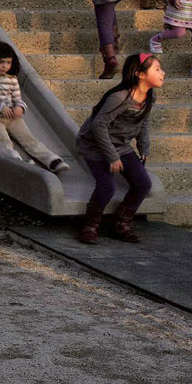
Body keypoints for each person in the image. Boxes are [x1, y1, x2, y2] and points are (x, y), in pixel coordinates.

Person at [74, 51, 164, 245]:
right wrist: (113, 157)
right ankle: (90, 226)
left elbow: (143, 124)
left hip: (120, 145)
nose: (162, 73)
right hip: (95, 145)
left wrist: (144, 148)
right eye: (157, 69)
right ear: (140, 74)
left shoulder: (149, 98)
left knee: (143, 184)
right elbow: (99, 125)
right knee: (107, 186)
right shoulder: (121, 97)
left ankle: (121, 224)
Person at [0, 42, 65, 172]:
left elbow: (17, 98)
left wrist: (20, 107)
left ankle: (51, 159)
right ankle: (15, 161)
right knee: (4, 141)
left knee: (29, 139)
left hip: (12, 117)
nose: (4, 66)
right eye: (1, 62)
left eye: (8, 63)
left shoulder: (12, 79)